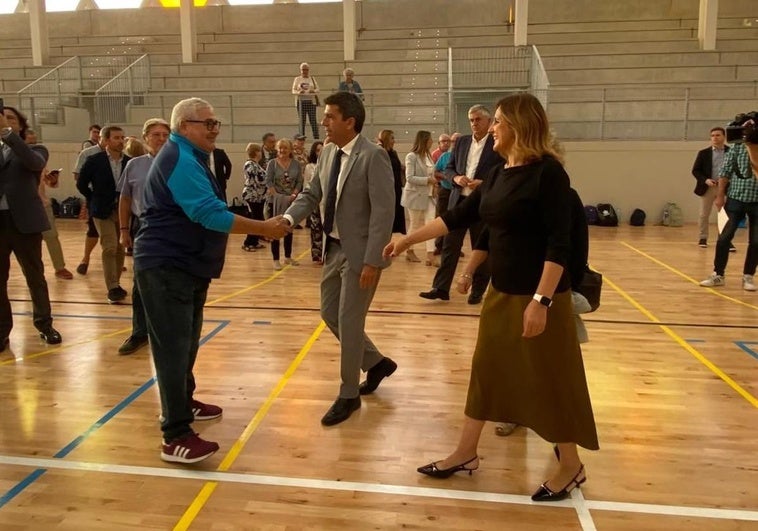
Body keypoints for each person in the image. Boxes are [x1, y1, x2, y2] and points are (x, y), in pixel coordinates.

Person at [383, 93, 598, 502]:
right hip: (502, 293)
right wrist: (407, 238)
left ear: (519, 126)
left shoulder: (548, 175)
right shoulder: (499, 173)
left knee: (551, 381)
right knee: (485, 372)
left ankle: (571, 465)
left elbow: (559, 246)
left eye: (498, 121)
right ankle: (466, 452)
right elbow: (459, 218)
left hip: (539, 298)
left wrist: (542, 301)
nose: (492, 128)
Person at [134, 97, 289, 464]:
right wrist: (263, 228)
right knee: (172, 350)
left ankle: (183, 401)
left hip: (186, 267)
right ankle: (175, 434)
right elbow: (209, 215)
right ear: (185, 126)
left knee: (185, 344)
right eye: (209, 123)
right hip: (166, 266)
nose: (215, 129)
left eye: (215, 123)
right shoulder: (179, 158)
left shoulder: (189, 156)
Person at [283, 91, 397, 427]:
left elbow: (383, 211)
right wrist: (288, 220)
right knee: (329, 312)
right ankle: (375, 362)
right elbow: (312, 193)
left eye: (330, 116)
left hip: (361, 253)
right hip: (333, 248)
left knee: (349, 322)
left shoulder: (373, 156)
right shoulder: (329, 152)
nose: (323, 122)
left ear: (350, 121)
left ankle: (348, 395)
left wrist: (373, 261)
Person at [419, 105, 503, 304]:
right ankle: (440, 288)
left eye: (478, 120)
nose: (474, 123)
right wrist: (456, 178)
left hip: (483, 203)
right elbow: (448, 169)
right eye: (471, 120)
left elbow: (503, 171)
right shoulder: (462, 142)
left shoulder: (497, 143)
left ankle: (478, 290)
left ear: (488, 121)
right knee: (450, 245)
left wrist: (483, 184)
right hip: (459, 201)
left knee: (480, 248)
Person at [0, 105, 62, 351]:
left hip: (25, 222)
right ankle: (2, 332)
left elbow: (34, 164)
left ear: (20, 124)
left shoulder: (35, 148)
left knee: (35, 277)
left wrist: (7, 133)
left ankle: (45, 325)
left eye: (11, 118)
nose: (6, 121)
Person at [117, 118, 170, 355]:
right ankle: (140, 331)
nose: (160, 138)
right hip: (144, 226)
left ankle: (168, 332)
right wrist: (124, 230)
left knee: (171, 281)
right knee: (141, 282)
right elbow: (125, 199)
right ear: (145, 137)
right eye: (155, 134)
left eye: (164, 134)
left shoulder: (178, 164)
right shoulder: (134, 165)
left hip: (172, 226)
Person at [700, 118, 758, 291]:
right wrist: (720, 196)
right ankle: (718, 274)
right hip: (735, 199)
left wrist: (752, 148)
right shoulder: (737, 148)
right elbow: (725, 172)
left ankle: (748, 276)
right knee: (724, 238)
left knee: (756, 242)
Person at [77, 126, 130, 303]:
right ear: (106, 140)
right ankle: (112, 287)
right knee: (109, 246)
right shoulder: (94, 160)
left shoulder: (129, 161)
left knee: (120, 246)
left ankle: (116, 282)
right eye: (116, 138)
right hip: (102, 209)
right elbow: (82, 183)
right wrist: (93, 198)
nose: (120, 141)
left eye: (122, 138)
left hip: (122, 210)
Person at [266, 138, 303, 270]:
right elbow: (268, 181)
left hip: (291, 201)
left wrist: (294, 194)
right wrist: (277, 196)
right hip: (275, 201)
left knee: (289, 228)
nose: (282, 150)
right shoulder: (272, 163)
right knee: (275, 228)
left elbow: (299, 181)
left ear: (290, 150)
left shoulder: (296, 164)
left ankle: (287, 257)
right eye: (280, 148)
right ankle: (276, 259)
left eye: (285, 148)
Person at [401, 130, 437, 265]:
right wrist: (428, 180)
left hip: (429, 196)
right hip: (415, 195)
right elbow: (409, 178)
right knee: (414, 225)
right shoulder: (411, 156)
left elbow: (431, 175)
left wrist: (434, 187)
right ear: (424, 141)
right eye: (430, 139)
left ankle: (430, 255)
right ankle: (409, 251)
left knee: (431, 225)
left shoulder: (429, 156)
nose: (432, 141)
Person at [692, 127, 730, 248]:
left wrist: (726, 180)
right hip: (708, 187)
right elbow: (696, 170)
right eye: (712, 135)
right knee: (704, 214)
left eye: (718, 135)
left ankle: (725, 239)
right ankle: (703, 238)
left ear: (724, 137)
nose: (715, 138)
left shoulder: (731, 152)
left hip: (724, 187)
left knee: (724, 214)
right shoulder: (703, 153)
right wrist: (706, 180)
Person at [433, 132, 460, 254]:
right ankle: (439, 246)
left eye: (456, 141)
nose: (454, 143)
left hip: (459, 191)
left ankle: (454, 247)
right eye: (453, 141)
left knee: (457, 220)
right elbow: (435, 171)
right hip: (445, 190)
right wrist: (445, 176)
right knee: (441, 217)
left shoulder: (466, 156)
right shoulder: (444, 156)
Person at [377, 129, 406, 235]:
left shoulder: (393, 153)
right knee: (385, 221)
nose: (394, 141)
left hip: (396, 189)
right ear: (386, 139)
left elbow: (396, 167)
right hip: (385, 190)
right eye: (392, 138)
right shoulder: (379, 151)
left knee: (394, 220)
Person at [241, 142, 268, 252]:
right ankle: (248, 242)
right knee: (255, 219)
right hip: (252, 196)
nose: (261, 153)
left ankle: (255, 241)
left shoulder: (256, 164)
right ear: (256, 152)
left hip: (259, 196)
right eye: (260, 151)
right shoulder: (250, 165)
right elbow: (259, 180)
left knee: (259, 218)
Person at [304, 141, 325, 263]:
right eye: (317, 150)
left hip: (326, 200)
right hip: (315, 200)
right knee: (316, 227)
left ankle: (326, 253)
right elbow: (307, 184)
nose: (320, 152)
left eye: (322, 150)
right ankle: (316, 253)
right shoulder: (309, 166)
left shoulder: (329, 164)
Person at [292, 62, 320, 140]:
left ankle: (316, 137)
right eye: (303, 70)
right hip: (301, 102)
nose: (304, 71)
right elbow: (293, 90)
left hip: (311, 102)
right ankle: (301, 137)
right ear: (300, 70)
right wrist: (298, 92)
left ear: (308, 70)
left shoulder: (312, 79)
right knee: (302, 120)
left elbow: (318, 89)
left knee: (313, 120)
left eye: (306, 70)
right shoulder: (297, 79)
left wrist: (313, 91)